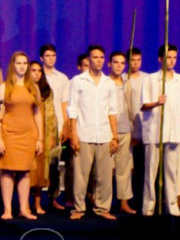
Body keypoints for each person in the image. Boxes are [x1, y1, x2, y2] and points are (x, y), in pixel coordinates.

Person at [67, 45, 118, 220]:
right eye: (95, 57)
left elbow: (112, 111)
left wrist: (115, 136)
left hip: (104, 134)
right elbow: (72, 108)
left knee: (104, 176)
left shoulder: (109, 83)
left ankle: (102, 208)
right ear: (88, 60)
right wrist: (73, 133)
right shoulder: (78, 81)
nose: (99, 60)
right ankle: (78, 208)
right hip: (83, 133)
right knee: (80, 176)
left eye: (102, 57)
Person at [140, 44, 180, 217]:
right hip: (154, 131)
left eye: (174, 57)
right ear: (160, 59)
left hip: (173, 131)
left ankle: (172, 205)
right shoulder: (151, 79)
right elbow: (144, 105)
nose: (172, 61)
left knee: (172, 171)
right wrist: (157, 102)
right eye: (168, 57)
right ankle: (148, 206)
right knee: (151, 171)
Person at [0, 52, 43, 220]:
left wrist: (40, 138)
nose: (22, 66)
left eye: (25, 63)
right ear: (13, 65)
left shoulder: (33, 87)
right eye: (19, 63)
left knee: (25, 172)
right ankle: (7, 209)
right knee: (7, 171)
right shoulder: (4, 87)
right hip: (9, 133)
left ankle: (23, 208)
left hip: (28, 134)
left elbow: (37, 114)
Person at [39, 44, 70, 210]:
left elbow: (65, 103)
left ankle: (53, 198)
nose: (51, 58)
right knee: (36, 164)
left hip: (55, 126)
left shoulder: (62, 78)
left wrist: (66, 126)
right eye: (47, 56)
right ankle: (34, 200)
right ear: (41, 58)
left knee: (53, 164)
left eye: (53, 55)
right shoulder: (35, 75)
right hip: (37, 126)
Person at [108, 52, 137, 214]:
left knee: (124, 168)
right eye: (116, 62)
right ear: (109, 64)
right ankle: (104, 203)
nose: (119, 65)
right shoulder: (105, 83)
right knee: (105, 170)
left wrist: (134, 130)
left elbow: (131, 107)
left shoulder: (127, 83)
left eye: (122, 63)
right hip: (107, 131)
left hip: (125, 129)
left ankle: (124, 202)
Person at [28, 61, 58, 215]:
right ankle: (25, 204)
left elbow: (52, 116)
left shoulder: (47, 91)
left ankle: (38, 204)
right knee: (27, 171)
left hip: (43, 134)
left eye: (39, 71)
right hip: (26, 134)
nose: (37, 73)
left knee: (40, 172)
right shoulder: (24, 90)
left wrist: (51, 136)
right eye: (33, 70)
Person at [126, 47, 147, 208]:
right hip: (127, 128)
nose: (136, 63)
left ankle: (140, 198)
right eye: (133, 60)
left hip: (144, 129)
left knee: (141, 166)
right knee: (126, 168)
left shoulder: (147, 79)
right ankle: (125, 200)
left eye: (138, 60)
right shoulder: (124, 79)